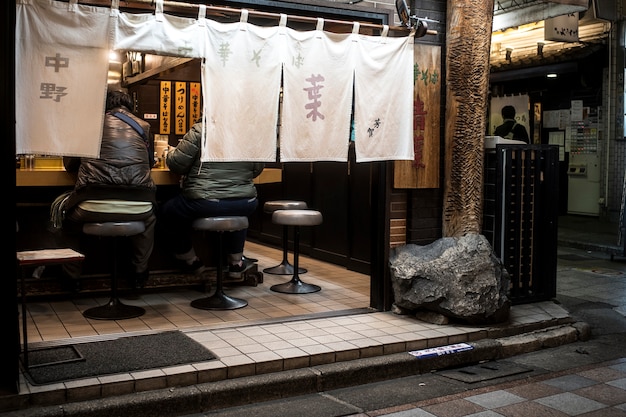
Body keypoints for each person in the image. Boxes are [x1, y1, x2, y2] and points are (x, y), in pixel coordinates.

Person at [52, 89, 157, 290]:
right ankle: (139, 274)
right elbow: (149, 163)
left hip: (92, 202)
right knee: (149, 219)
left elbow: (70, 165)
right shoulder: (143, 126)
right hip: (140, 202)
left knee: (64, 219)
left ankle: (71, 278)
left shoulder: (87, 124)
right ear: (129, 106)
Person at [159, 121, 265, 278]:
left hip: (206, 202)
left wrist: (168, 154)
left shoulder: (201, 130)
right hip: (246, 202)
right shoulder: (248, 132)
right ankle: (236, 262)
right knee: (235, 210)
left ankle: (190, 260)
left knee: (166, 211)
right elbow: (257, 169)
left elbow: (177, 164)